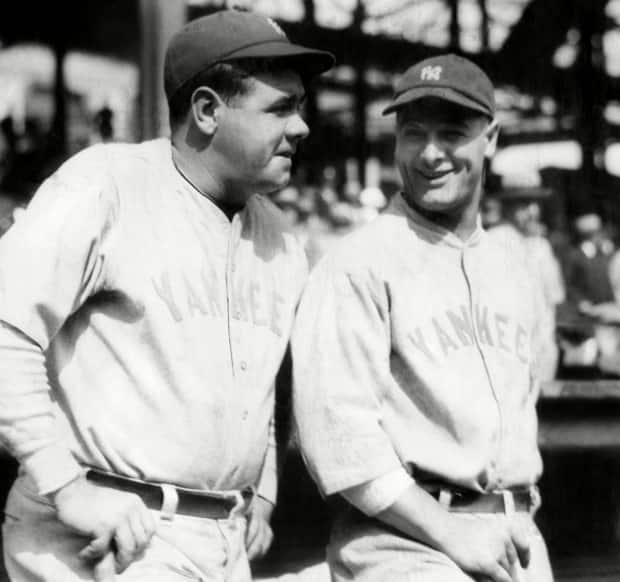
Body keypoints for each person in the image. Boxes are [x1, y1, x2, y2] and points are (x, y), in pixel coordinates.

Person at [0, 9, 333, 582]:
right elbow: (6, 330)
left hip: (220, 536)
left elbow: (261, 385)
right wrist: (64, 484)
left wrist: (267, 490)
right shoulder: (106, 186)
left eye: (298, 106)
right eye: (280, 108)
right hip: (103, 531)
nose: (301, 126)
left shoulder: (280, 237)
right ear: (207, 110)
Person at [292, 54, 553, 582]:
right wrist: (453, 532)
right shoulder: (357, 262)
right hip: (405, 545)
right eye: (413, 134)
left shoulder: (515, 267)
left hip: (517, 536)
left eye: (452, 133)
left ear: (492, 138)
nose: (430, 154)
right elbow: (340, 443)